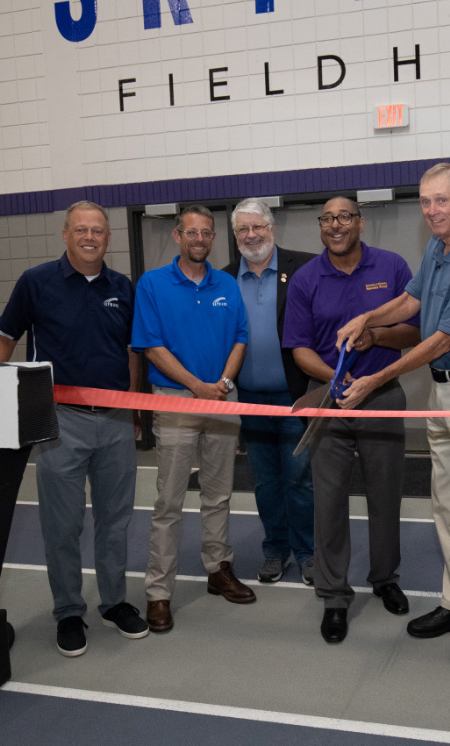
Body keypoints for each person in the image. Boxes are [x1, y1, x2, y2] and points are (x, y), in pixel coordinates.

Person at [337, 164, 450, 666]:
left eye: (441, 200)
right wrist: (367, 317)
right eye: (424, 201)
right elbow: (410, 301)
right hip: (443, 391)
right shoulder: (438, 248)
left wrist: (376, 378)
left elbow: (441, 340)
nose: (432, 211)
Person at [0, 201, 148, 657]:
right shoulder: (35, 282)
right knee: (61, 525)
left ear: (108, 238)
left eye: (98, 230)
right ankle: (67, 611)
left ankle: (114, 602)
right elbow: (5, 339)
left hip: (116, 420)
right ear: (65, 234)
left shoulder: (122, 287)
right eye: (81, 229)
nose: (89, 237)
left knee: (115, 520)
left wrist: (133, 406)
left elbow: (131, 352)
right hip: (59, 422)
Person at [283, 197, 421, 644]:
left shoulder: (393, 267)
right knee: (328, 502)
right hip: (327, 401)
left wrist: (376, 336)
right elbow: (299, 349)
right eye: (327, 219)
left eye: (344, 216)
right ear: (320, 226)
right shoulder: (305, 279)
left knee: (386, 495)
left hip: (382, 396)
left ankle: (385, 578)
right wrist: (337, 379)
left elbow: (416, 331)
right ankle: (334, 595)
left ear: (360, 222)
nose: (336, 225)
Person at [132, 204, 253, 634]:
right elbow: (151, 346)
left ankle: (218, 570)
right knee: (169, 502)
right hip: (176, 402)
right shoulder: (152, 284)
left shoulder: (227, 284)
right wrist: (197, 387)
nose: (199, 239)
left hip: (222, 399)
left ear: (213, 238)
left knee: (219, 495)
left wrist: (222, 382)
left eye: (206, 233)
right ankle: (158, 592)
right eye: (192, 232)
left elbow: (240, 338)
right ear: (177, 236)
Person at [222, 198, 316, 585]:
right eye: (242, 229)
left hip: (295, 398)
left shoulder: (305, 268)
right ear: (235, 235)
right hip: (249, 400)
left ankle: (308, 553)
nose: (251, 235)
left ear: (271, 228)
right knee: (265, 482)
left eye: (257, 226)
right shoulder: (224, 279)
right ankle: (275, 549)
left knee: (300, 480)